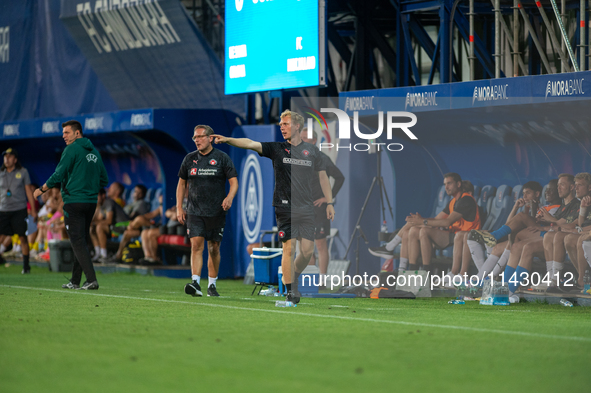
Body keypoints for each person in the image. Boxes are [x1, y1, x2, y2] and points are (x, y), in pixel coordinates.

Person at [212, 110, 335, 304]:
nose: (281, 127)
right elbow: (250, 143)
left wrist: (329, 202)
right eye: (280, 124)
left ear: (297, 126)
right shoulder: (277, 148)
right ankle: (289, 290)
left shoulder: (312, 152)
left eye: (285, 123)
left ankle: (291, 276)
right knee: (289, 248)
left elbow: (323, 177)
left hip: (306, 208)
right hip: (284, 206)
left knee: (308, 251)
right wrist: (228, 139)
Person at [34, 120, 108, 290]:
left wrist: (42, 189)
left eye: (67, 132)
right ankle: (75, 281)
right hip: (90, 203)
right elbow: (104, 179)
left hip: (74, 201)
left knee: (77, 241)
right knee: (80, 240)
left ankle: (91, 280)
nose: (63, 136)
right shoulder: (95, 152)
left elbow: (58, 174)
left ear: (77, 133)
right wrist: (88, 186)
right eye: (63, 133)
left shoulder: (71, 150)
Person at [177, 125, 239, 297]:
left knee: (214, 248)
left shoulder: (222, 158)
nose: (196, 140)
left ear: (210, 138)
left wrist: (229, 197)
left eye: (200, 137)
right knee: (196, 245)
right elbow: (181, 184)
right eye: (194, 137)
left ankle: (212, 285)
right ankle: (195, 282)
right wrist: (179, 207)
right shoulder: (189, 159)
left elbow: (234, 182)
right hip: (194, 211)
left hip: (216, 211)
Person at [405, 173, 481, 272]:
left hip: (465, 236)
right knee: (414, 230)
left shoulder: (466, 199)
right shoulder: (453, 201)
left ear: (458, 184)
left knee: (424, 231)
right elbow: (436, 220)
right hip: (453, 235)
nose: (446, 187)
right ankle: (412, 271)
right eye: (445, 184)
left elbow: (447, 222)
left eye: (449, 183)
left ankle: (426, 272)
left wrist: (423, 222)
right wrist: (420, 220)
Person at [300, 128, 344, 284]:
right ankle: (311, 277)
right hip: (302, 207)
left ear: (314, 141)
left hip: (318, 208)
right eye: (302, 137)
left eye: (307, 138)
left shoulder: (322, 159)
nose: (303, 140)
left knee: (320, 243)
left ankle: (323, 280)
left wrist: (328, 197)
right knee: (306, 244)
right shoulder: (296, 158)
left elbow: (339, 177)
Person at [0, 148, 38, 273]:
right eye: (5, 156)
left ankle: (26, 266)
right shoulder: (1, 172)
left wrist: (33, 210)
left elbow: (28, 191)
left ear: (15, 160)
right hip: (3, 209)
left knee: (22, 237)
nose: (7, 159)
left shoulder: (23, 172)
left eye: (10, 156)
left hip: (19, 209)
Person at [112, 194, 162, 262]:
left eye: (161, 202)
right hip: (142, 228)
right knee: (127, 233)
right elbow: (150, 215)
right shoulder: (159, 208)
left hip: (157, 227)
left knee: (139, 219)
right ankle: (119, 255)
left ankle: (128, 226)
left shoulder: (167, 208)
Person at [90, 187, 129, 262]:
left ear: (103, 195)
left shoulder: (108, 202)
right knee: (92, 228)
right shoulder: (101, 205)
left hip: (123, 226)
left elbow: (109, 221)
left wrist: (94, 222)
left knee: (99, 227)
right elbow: (99, 219)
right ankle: (97, 253)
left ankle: (104, 255)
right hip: (114, 227)